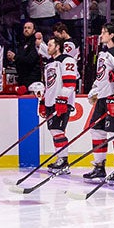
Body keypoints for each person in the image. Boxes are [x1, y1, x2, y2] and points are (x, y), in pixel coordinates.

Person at [83, 22, 114, 186]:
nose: (101, 35)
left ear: (112, 35)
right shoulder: (104, 54)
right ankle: (99, 167)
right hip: (104, 99)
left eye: (104, 32)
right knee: (96, 130)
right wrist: (94, 93)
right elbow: (101, 77)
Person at [40, 36, 79, 174]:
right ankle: (60, 159)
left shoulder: (67, 60)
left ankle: (63, 161)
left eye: (50, 45)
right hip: (52, 102)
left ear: (58, 46)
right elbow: (49, 85)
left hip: (62, 102)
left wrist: (62, 99)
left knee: (58, 131)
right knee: (54, 132)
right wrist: (44, 101)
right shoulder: (49, 63)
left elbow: (70, 83)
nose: (48, 47)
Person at [8, 21, 41, 89]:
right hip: (22, 78)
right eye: (25, 28)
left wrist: (15, 57)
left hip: (32, 79)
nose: (26, 29)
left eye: (29, 28)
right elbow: (21, 59)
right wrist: (13, 59)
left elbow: (30, 60)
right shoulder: (22, 43)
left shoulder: (35, 43)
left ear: (34, 30)